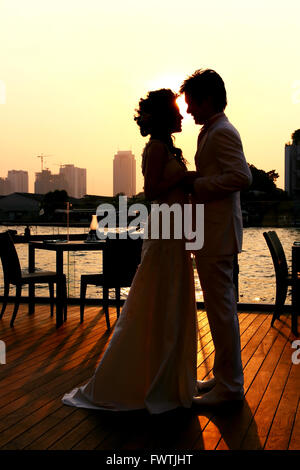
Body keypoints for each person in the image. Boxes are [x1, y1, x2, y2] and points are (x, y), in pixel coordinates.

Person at [62, 89, 198, 414]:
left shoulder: (166, 148)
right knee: (156, 298)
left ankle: (168, 377)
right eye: (177, 112)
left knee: (172, 300)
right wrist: (186, 178)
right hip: (164, 231)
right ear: (166, 117)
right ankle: (143, 381)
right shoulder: (154, 148)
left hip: (175, 230)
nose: (182, 117)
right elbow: (151, 191)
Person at [180, 69, 252, 407]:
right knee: (219, 309)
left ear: (207, 99)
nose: (189, 109)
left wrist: (197, 185)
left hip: (217, 234)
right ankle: (225, 378)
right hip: (211, 234)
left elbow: (240, 176)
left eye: (192, 102)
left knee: (221, 311)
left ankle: (231, 387)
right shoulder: (213, 131)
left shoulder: (222, 132)